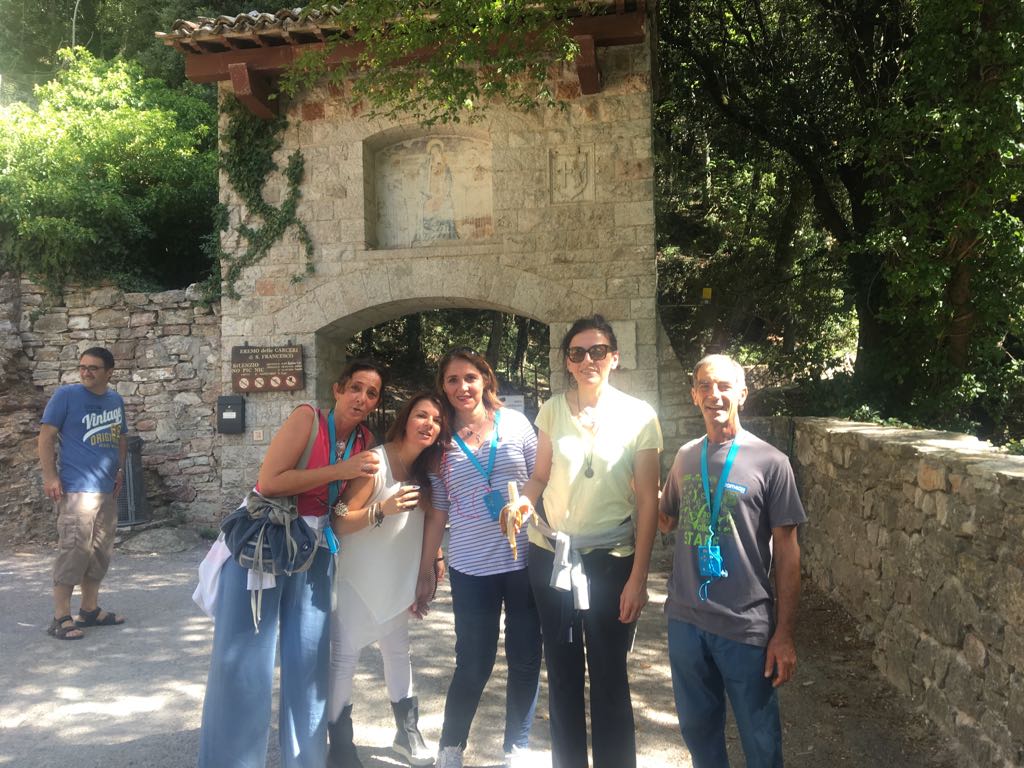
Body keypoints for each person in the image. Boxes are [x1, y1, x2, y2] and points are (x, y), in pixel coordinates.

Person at [198, 359, 385, 768]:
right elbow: (270, 481)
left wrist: (374, 507)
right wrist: (340, 470)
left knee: (309, 664)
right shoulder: (308, 419)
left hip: (315, 550)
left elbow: (341, 508)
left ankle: (306, 761)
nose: (362, 398)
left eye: (371, 393)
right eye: (356, 387)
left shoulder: (364, 441)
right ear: (338, 390)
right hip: (265, 545)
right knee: (245, 661)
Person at [510, 315, 662, 768]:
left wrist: (638, 578)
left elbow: (648, 503)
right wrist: (523, 503)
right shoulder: (552, 410)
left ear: (614, 357)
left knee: (610, 675)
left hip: (612, 562)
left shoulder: (640, 416)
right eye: (577, 353)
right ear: (567, 362)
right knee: (562, 675)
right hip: (552, 557)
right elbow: (539, 477)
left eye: (597, 351)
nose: (587, 360)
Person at [658, 354, 805, 768]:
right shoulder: (686, 456)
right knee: (699, 736)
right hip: (686, 621)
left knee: (760, 742)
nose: (714, 394)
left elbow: (788, 554)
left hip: (744, 627)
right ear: (694, 395)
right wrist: (634, 478)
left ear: (742, 394)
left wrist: (784, 634)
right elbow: (667, 519)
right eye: (705, 386)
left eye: (724, 386)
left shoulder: (771, 462)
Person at [418, 347, 542, 768]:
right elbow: (439, 510)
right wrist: (426, 568)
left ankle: (517, 749)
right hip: (471, 568)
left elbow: (540, 479)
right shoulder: (440, 440)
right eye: (452, 380)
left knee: (525, 658)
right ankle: (450, 748)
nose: (462, 387)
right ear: (443, 387)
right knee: (473, 663)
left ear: (485, 379)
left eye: (470, 377)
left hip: (525, 562)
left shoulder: (516, 423)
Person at [326, 391, 449, 768]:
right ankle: (340, 743)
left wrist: (431, 563)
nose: (429, 424)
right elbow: (338, 520)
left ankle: (406, 733)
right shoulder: (375, 463)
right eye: (422, 415)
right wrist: (382, 509)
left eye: (437, 420)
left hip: (398, 577)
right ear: (405, 418)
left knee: (398, 653)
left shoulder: (427, 471)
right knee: (344, 658)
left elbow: (431, 520)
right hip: (358, 579)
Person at [39, 346, 129, 640]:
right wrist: (50, 476)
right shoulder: (66, 396)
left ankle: (89, 610)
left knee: (100, 552)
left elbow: (120, 438)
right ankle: (60, 617)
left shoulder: (115, 400)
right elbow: (46, 437)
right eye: (82, 367)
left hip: (106, 490)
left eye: (93, 368)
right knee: (74, 551)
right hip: (77, 489)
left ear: (109, 372)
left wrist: (119, 470)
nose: (86, 372)